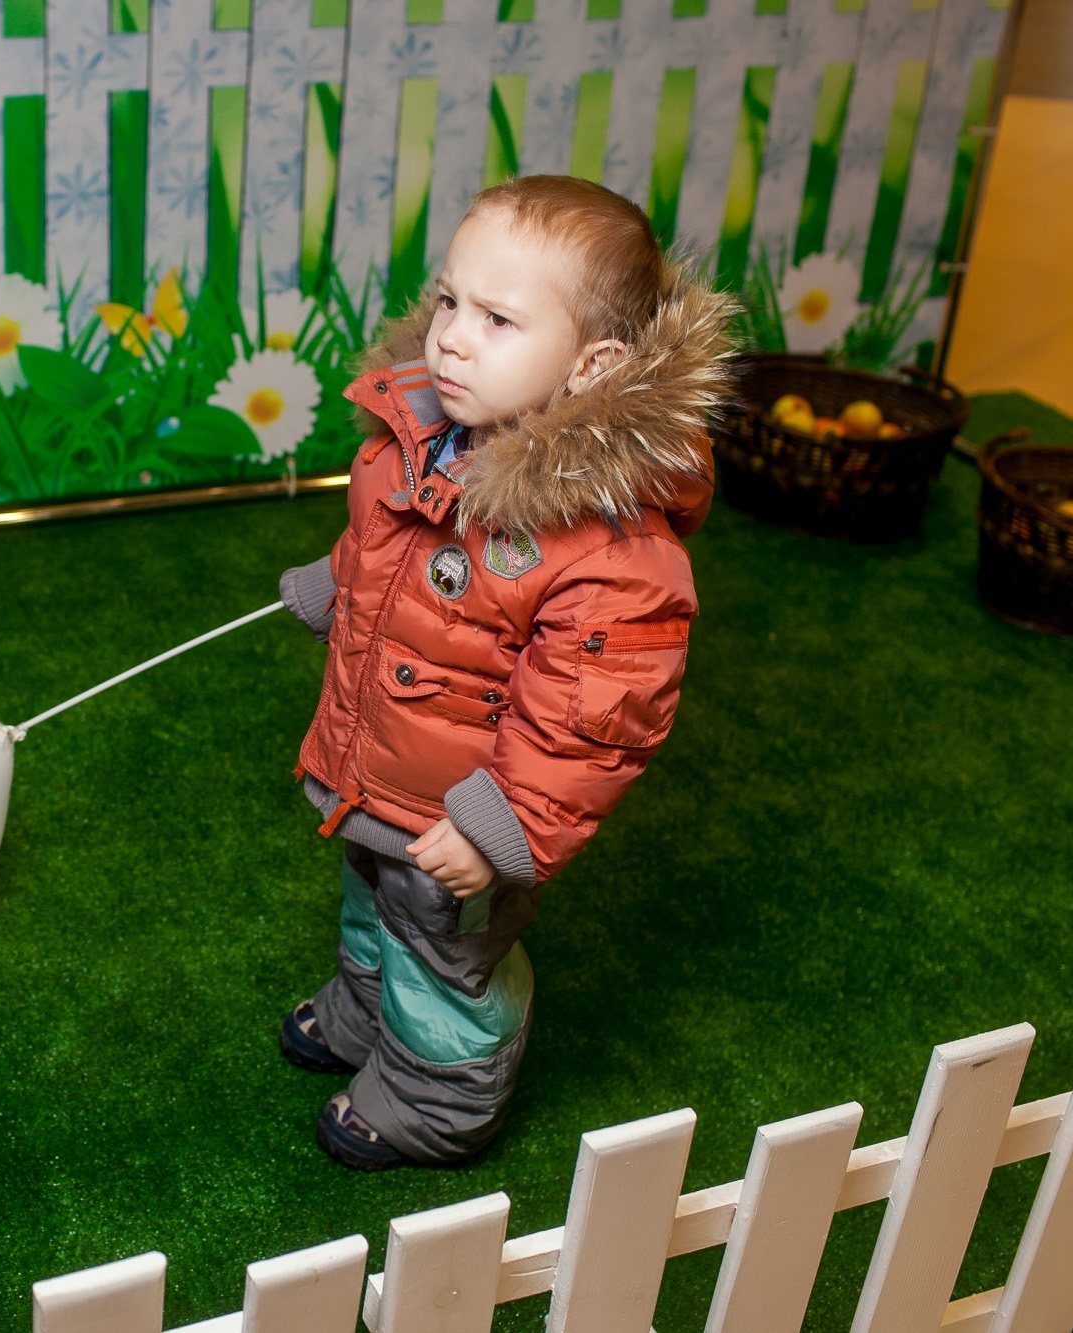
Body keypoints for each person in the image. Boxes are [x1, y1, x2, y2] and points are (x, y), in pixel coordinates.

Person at [275, 175, 734, 1169]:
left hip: (461, 806)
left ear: (590, 365)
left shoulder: (607, 545)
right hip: (381, 769)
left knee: (444, 948)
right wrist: (338, 583)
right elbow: (397, 544)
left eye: (496, 318)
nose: (449, 336)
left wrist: (504, 825)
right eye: (449, 300)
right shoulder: (430, 432)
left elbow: (591, 718)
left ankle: (435, 1099)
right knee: (371, 891)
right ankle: (365, 1014)